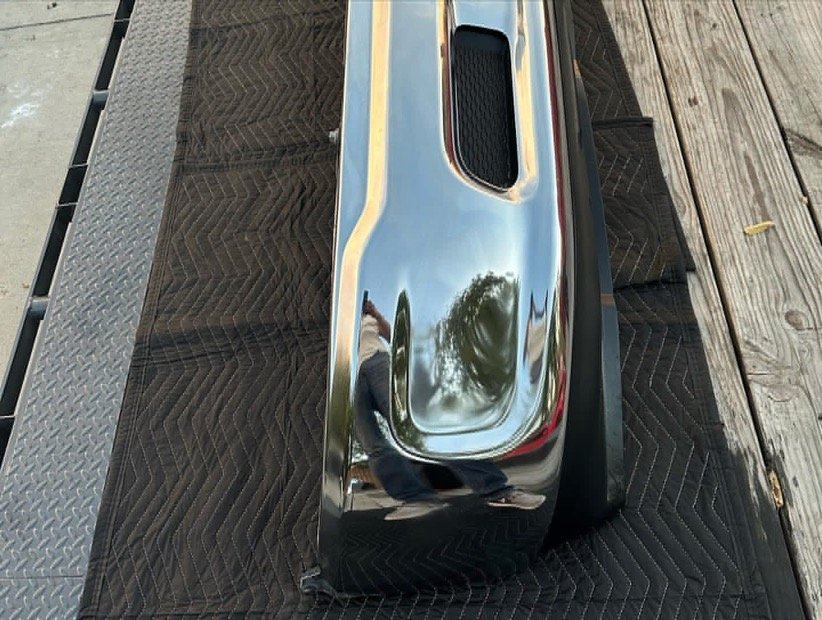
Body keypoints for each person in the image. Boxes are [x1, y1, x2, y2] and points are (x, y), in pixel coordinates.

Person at [354, 298, 545, 521]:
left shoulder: (368, 318)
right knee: (372, 443)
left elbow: (393, 337)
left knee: (422, 426)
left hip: (376, 362)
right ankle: (416, 499)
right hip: (348, 374)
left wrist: (374, 314)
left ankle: (497, 490)